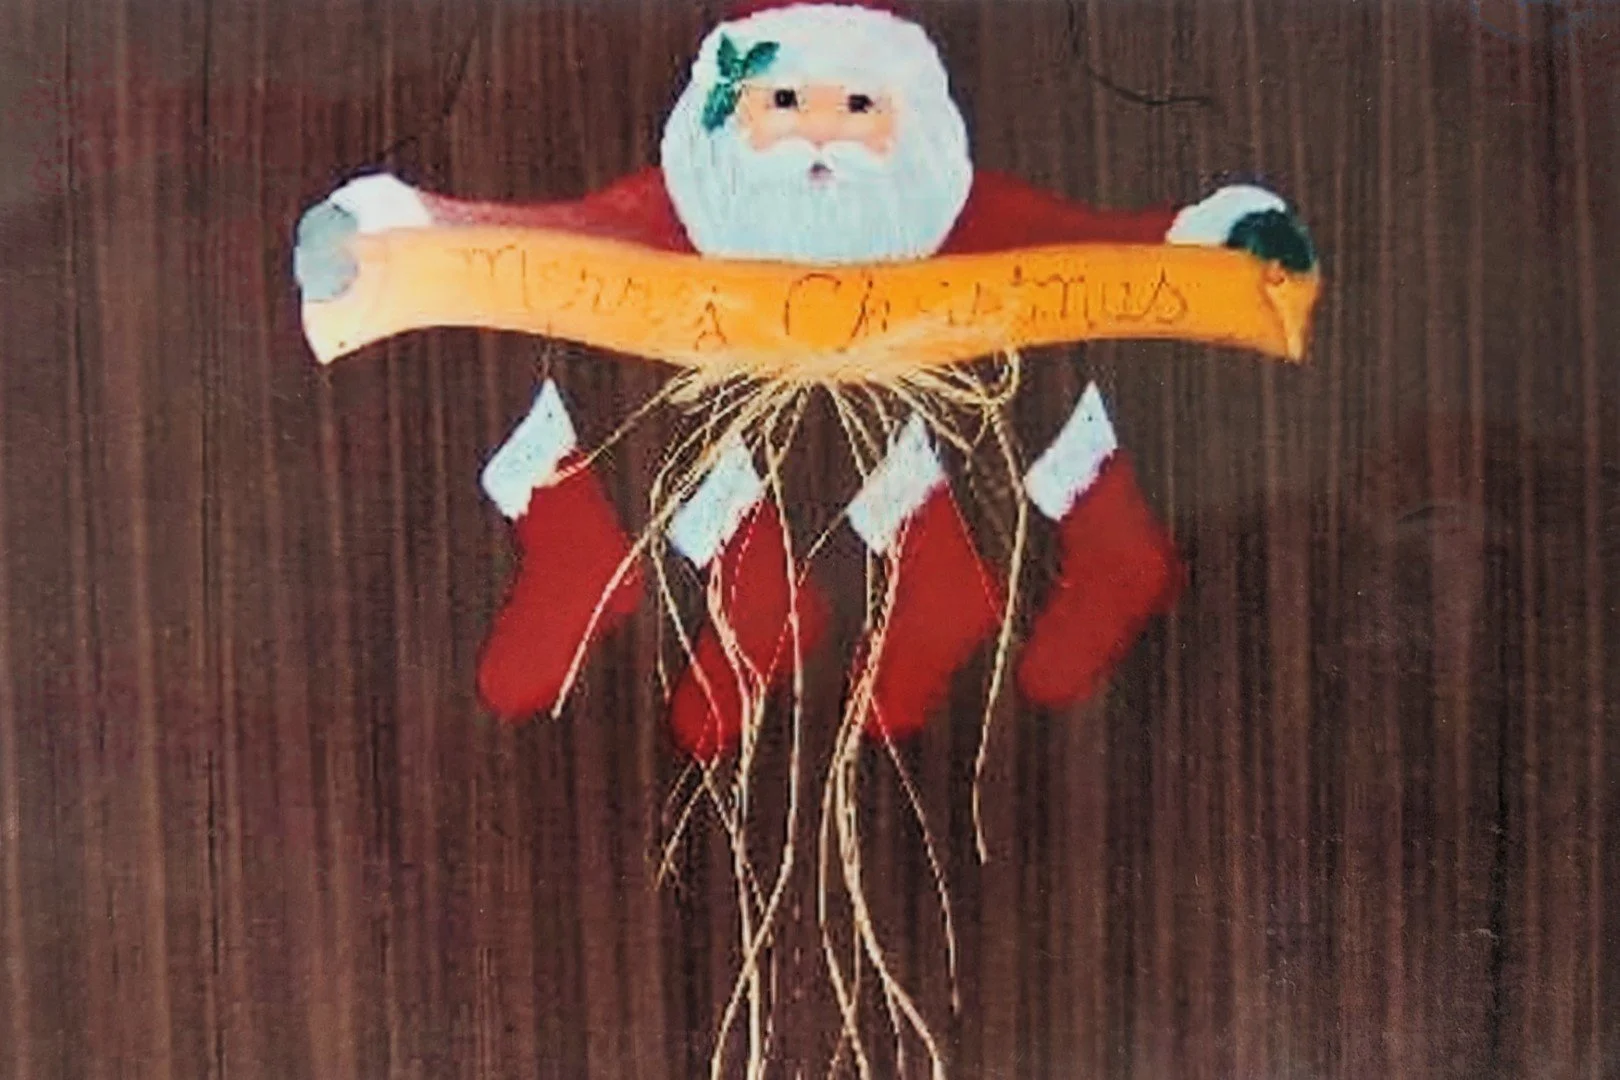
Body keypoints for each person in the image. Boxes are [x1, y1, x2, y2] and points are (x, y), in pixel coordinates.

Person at [294, 0, 1317, 758]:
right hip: (731, 456)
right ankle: (643, 570)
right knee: (605, 373)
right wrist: (399, 234)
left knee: (1013, 372)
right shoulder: (678, 210)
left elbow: (1110, 244)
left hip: (931, 449)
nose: (820, 130)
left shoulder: (961, 212)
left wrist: (1217, 242)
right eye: (784, 102)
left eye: (857, 105)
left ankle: (1053, 562)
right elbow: (539, 239)